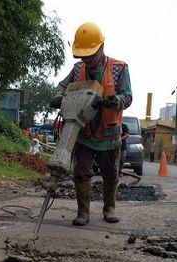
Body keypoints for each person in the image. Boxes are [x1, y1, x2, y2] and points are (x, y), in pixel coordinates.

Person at [51, 22, 132, 226]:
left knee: (110, 173)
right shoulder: (78, 70)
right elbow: (62, 86)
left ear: (101, 47)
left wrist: (118, 101)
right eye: (83, 56)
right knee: (81, 172)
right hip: (83, 132)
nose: (86, 59)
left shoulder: (119, 68)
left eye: (90, 55)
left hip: (109, 133)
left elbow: (128, 96)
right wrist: (58, 96)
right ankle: (83, 212)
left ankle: (109, 208)